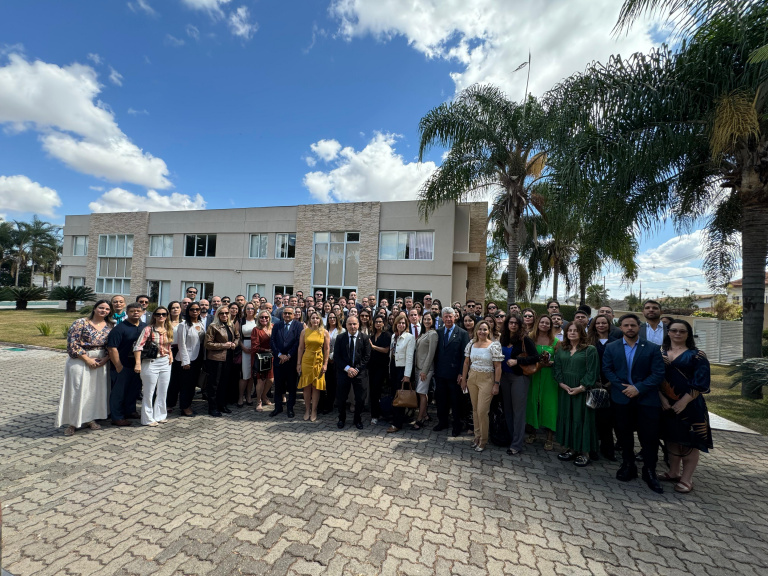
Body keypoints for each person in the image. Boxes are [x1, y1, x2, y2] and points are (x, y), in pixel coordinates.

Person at [603, 313, 666, 494]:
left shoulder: (652, 348)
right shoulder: (612, 347)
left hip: (646, 399)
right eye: (626, 325)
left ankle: (649, 470)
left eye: (633, 325)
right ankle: (628, 465)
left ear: (639, 327)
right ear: (620, 327)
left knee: (649, 436)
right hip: (622, 397)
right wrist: (622, 387)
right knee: (624, 434)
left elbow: (658, 373)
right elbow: (607, 369)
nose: (629, 328)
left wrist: (638, 388)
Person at [658, 319, 713, 494]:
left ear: (688, 334)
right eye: (674, 330)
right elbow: (655, 378)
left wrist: (683, 402)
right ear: (668, 332)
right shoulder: (660, 352)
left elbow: (701, 382)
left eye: (682, 331)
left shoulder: (697, 355)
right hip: (666, 404)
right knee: (671, 439)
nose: (678, 334)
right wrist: (662, 399)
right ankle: (673, 472)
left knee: (691, 442)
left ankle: (687, 478)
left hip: (691, 405)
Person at [56, 300, 114, 436]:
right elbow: (73, 343)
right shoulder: (80, 323)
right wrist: (87, 359)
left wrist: (105, 359)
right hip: (80, 359)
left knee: (94, 392)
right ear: (94, 308)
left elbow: (111, 345)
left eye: (107, 309)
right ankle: (72, 423)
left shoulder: (110, 325)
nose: (104, 311)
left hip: (101, 361)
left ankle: (90, 419)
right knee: (77, 390)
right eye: (101, 308)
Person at [553, 323, 600, 466]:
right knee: (568, 417)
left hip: (582, 391)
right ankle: (571, 449)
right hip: (565, 389)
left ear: (581, 333)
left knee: (582, 419)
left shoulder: (589, 350)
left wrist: (581, 387)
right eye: (570, 330)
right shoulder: (561, 349)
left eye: (576, 330)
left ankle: (585, 453)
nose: (572, 333)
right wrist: (561, 383)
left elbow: (593, 371)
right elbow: (557, 367)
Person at [499, 313, 538, 455]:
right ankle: (511, 438)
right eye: (511, 322)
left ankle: (517, 445)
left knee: (518, 412)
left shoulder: (525, 339)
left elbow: (536, 357)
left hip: (519, 378)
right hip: (504, 377)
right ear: (507, 324)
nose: (513, 325)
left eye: (516, 323)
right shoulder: (503, 338)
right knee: (508, 410)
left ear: (520, 325)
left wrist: (517, 361)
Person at [461, 320, 503, 452]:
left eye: (485, 329)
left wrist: (496, 384)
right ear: (476, 331)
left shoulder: (494, 345)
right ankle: (477, 436)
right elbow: (466, 363)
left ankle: (484, 440)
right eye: (480, 329)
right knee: (474, 409)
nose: (482, 332)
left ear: (489, 331)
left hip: (487, 379)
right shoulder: (471, 344)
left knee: (482, 411)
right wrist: (464, 379)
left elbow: (498, 367)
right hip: (472, 378)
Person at [133, 306, 174, 426]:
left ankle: (160, 415)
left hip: (165, 362)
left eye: (164, 314)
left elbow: (168, 345)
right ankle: (147, 419)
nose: (161, 316)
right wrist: (138, 363)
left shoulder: (168, 328)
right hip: (151, 362)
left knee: (163, 391)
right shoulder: (148, 329)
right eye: (158, 314)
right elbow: (138, 347)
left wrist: (170, 355)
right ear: (154, 316)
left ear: (167, 316)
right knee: (148, 392)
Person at [107, 302, 146, 426]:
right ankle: (117, 417)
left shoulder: (145, 327)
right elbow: (112, 348)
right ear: (127, 313)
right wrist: (118, 365)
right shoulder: (119, 328)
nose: (135, 313)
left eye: (138, 311)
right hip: (122, 365)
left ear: (142, 312)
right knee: (118, 393)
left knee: (133, 390)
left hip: (138, 365)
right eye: (132, 311)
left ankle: (130, 411)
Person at [434, 307, 471, 436]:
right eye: (446, 316)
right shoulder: (438, 332)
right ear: (442, 318)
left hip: (455, 374)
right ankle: (442, 422)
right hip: (440, 373)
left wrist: (462, 373)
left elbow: (465, 356)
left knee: (456, 402)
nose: (448, 319)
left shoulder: (462, 333)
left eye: (450, 316)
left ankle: (457, 425)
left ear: (455, 317)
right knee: (441, 400)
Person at [588, 314, 620, 460]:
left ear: (609, 325)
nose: (601, 325)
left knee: (607, 419)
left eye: (604, 323)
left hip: (611, 384)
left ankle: (607, 449)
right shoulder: (588, 341)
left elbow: (620, 364)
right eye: (598, 323)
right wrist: (593, 381)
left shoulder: (617, 342)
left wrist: (611, 383)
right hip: (592, 382)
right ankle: (592, 448)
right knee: (592, 418)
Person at [526, 314, 560, 450]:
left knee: (549, 405)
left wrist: (552, 362)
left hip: (549, 376)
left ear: (550, 326)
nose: (544, 325)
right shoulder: (530, 338)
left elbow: (560, 360)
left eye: (547, 323)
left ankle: (549, 437)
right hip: (533, 374)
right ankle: (532, 432)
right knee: (532, 403)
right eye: (542, 322)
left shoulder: (555, 341)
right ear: (537, 324)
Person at [335, 315, 371, 430]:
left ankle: (357, 419)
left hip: (359, 373)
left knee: (360, 398)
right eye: (350, 324)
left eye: (354, 324)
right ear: (346, 325)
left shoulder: (365, 338)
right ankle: (341, 419)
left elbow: (367, 357)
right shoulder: (340, 338)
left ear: (358, 325)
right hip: (344, 372)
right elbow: (337, 357)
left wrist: (356, 369)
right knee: (341, 398)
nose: (352, 326)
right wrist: (348, 368)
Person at [204, 305, 241, 417]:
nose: (224, 315)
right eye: (222, 313)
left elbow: (237, 337)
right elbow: (207, 344)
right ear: (218, 314)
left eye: (226, 313)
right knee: (214, 384)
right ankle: (212, 407)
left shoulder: (230, 325)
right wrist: (223, 345)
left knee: (224, 383)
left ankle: (222, 404)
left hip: (228, 358)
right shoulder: (213, 326)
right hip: (216, 359)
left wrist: (235, 343)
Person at [270, 306, 303, 418]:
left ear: (293, 315)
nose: (287, 315)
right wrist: (279, 355)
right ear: (282, 314)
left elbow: (298, 342)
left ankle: (290, 408)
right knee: (278, 385)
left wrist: (288, 355)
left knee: (292, 386)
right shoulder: (277, 325)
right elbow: (272, 341)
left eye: (289, 313)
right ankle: (278, 407)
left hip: (291, 361)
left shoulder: (299, 326)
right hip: (279, 360)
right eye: (285, 313)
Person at [297, 311, 330, 421]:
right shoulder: (304, 332)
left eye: (317, 318)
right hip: (306, 360)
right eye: (313, 318)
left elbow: (327, 349)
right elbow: (300, 348)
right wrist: (298, 363)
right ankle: (307, 409)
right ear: (309, 320)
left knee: (316, 387)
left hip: (318, 361)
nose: (315, 320)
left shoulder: (324, 332)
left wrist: (325, 364)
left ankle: (314, 410)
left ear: (320, 320)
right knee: (306, 386)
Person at [386, 313, 415, 433]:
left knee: (400, 395)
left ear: (406, 325)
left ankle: (397, 424)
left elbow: (410, 357)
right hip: (393, 367)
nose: (401, 325)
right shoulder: (394, 336)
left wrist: (407, 375)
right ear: (395, 324)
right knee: (394, 394)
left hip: (402, 369)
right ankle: (396, 418)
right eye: (399, 323)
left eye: (403, 323)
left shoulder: (410, 337)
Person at [176, 302, 205, 417]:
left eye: (197, 309)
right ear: (188, 311)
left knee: (192, 384)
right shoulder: (183, 325)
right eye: (192, 309)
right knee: (186, 385)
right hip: (187, 359)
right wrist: (185, 361)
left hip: (198, 358)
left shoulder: (201, 323)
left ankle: (188, 405)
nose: (195, 311)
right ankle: (184, 407)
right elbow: (181, 344)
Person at [412, 311, 438, 430]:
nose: (427, 321)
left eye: (429, 319)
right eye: (425, 319)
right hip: (418, 368)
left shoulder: (433, 334)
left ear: (433, 321)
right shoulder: (424, 333)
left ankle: (420, 419)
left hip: (425, 370)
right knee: (422, 393)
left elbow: (431, 354)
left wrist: (425, 371)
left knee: (422, 393)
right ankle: (425, 414)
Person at [368, 315, 391, 425]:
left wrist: (374, 347)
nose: (378, 324)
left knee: (380, 391)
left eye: (380, 322)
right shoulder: (372, 335)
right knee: (373, 392)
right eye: (376, 322)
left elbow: (386, 350)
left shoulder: (387, 335)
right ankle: (374, 415)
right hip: (372, 367)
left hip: (382, 368)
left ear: (383, 323)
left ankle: (382, 414)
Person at [250, 309, 274, 411]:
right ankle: (258, 401)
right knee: (260, 381)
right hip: (261, 358)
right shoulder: (256, 330)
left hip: (272, 357)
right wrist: (266, 350)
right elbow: (254, 347)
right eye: (261, 317)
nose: (264, 319)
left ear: (269, 318)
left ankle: (264, 396)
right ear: (258, 318)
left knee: (271, 379)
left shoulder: (273, 327)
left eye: (266, 317)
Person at [322, 312, 345, 415]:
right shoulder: (323, 330)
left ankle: (330, 405)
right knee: (324, 383)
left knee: (332, 383)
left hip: (335, 361)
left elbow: (341, 347)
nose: (332, 319)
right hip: (323, 360)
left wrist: (330, 356)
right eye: (330, 317)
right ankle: (322, 404)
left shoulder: (342, 331)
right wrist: (325, 357)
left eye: (334, 317)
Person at [238, 302, 258, 407]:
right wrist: (243, 347)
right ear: (245, 310)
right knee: (244, 374)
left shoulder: (257, 321)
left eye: (252, 308)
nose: (250, 310)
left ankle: (249, 396)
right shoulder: (241, 321)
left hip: (255, 349)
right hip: (245, 348)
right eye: (248, 308)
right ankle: (240, 397)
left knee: (251, 375)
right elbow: (236, 336)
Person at [165, 300, 183, 413]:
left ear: (180, 309)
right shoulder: (165, 322)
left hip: (180, 350)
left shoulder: (184, 323)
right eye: (173, 308)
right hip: (167, 350)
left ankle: (173, 402)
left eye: (177, 307)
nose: (175, 310)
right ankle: (166, 403)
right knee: (168, 378)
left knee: (177, 378)